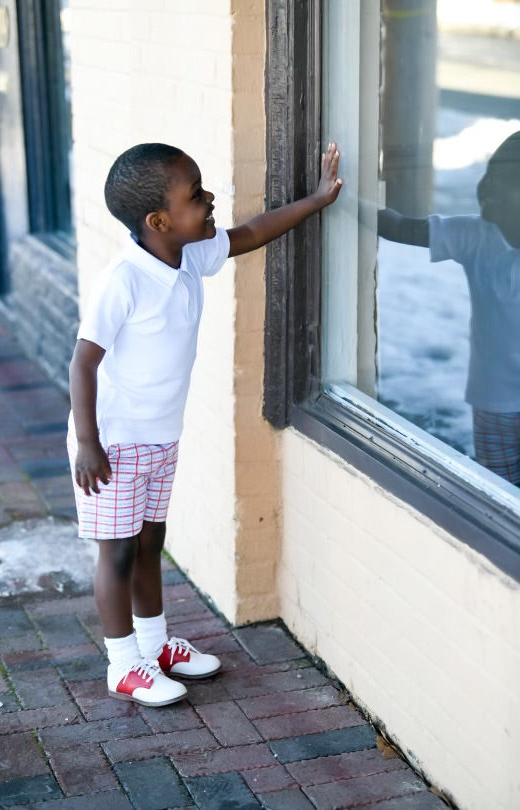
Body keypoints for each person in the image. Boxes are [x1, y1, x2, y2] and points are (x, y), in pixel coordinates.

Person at [68, 141, 342, 707]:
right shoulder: (124, 280)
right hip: (113, 443)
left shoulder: (188, 254)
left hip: (159, 436)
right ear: (159, 221)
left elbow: (251, 233)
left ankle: (154, 644)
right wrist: (90, 442)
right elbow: (83, 361)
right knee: (116, 552)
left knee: (150, 542)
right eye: (196, 195)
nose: (210, 197)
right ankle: (123, 664)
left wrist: (316, 201)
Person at [378, 131, 520, 485]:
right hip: (495, 401)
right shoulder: (474, 235)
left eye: (504, 184)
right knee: (500, 497)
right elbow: (402, 229)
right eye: (492, 181)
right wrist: (346, 202)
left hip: (494, 399)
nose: (489, 192)